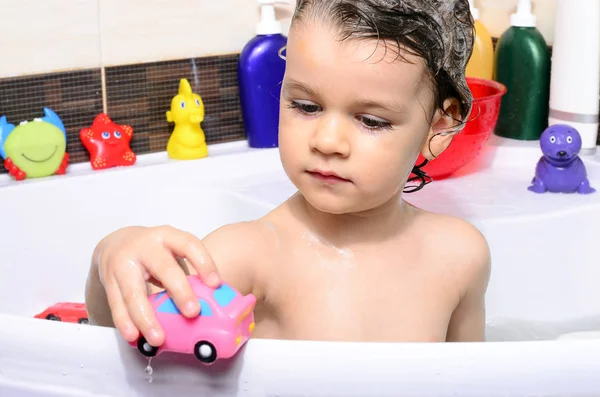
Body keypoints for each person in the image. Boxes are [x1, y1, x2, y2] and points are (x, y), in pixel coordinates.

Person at [85, 0, 491, 346]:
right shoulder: (253, 254)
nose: (327, 141)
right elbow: (137, 335)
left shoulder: (459, 256)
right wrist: (112, 257)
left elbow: (475, 381)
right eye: (306, 106)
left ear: (439, 127)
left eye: (370, 120)